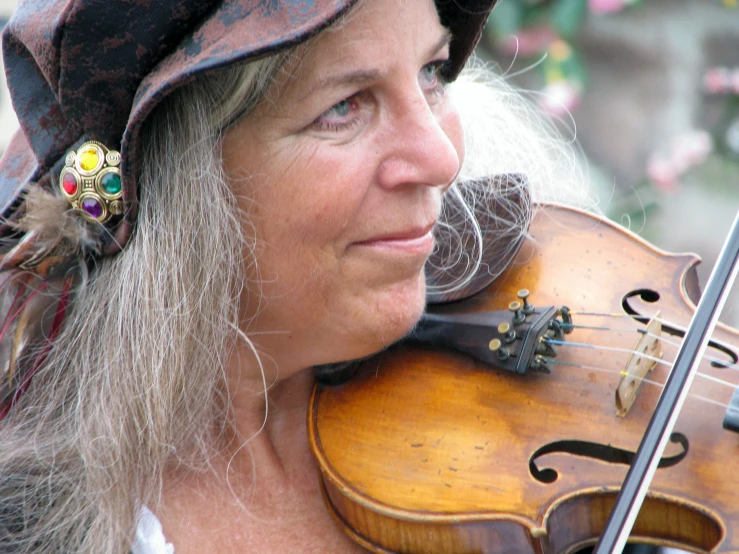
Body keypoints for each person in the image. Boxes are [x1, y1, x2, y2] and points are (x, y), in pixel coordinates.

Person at [0, 0, 586, 552]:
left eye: (432, 72)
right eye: (344, 106)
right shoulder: (32, 525)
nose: (442, 159)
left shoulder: (544, 444)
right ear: (183, 191)